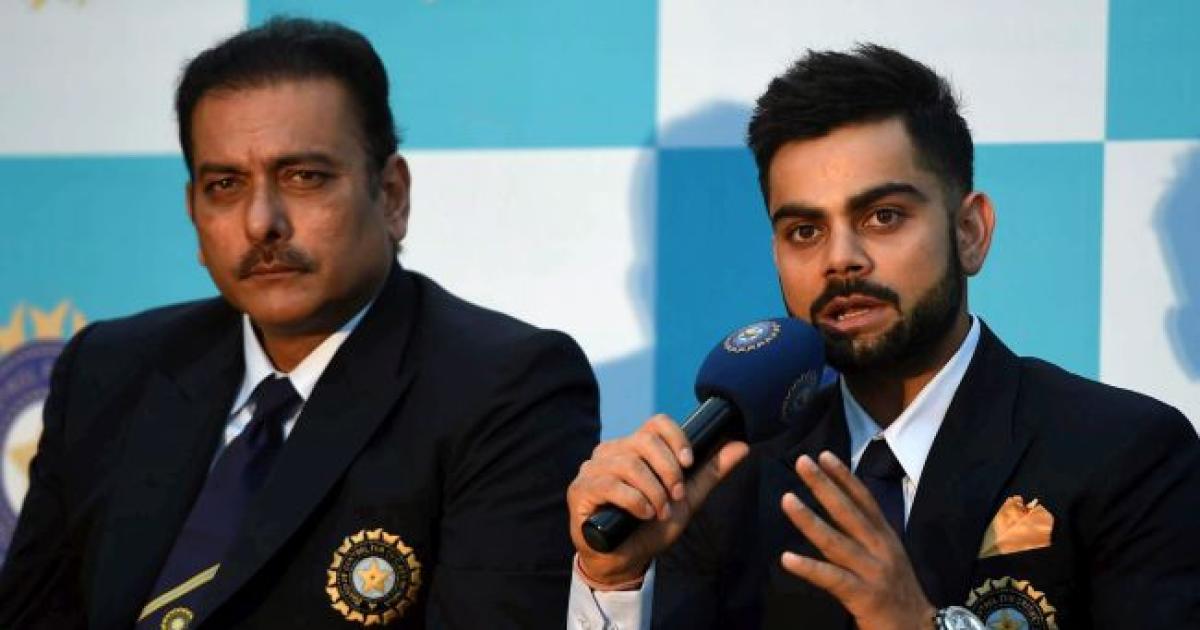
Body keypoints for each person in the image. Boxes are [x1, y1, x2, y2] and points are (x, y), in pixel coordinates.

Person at [566, 44, 1200, 629]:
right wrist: (612, 581)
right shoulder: (730, 481)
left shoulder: (1123, 453)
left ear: (970, 232)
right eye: (805, 231)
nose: (841, 259)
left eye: (883, 216)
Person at [0, 17, 599, 630]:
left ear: (392, 195)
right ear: (194, 213)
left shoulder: (505, 389)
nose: (261, 222)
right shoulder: (110, 369)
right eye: (225, 184)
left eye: (304, 177)